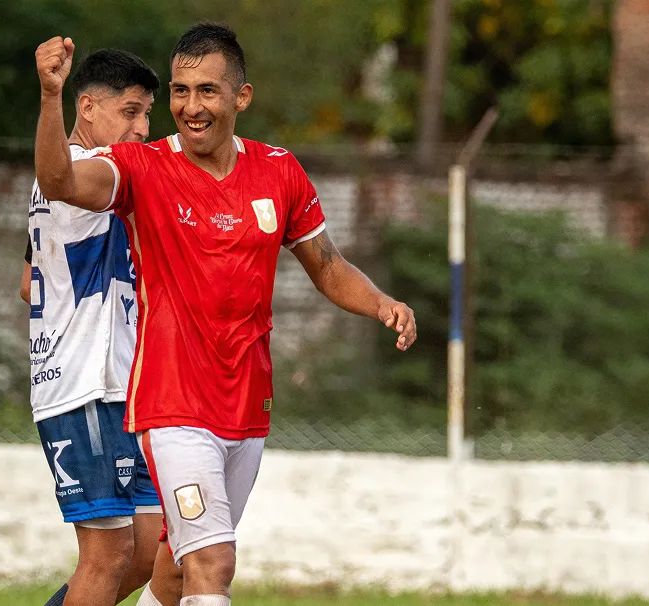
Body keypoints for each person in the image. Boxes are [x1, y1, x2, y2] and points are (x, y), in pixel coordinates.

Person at [34, 24, 417, 606]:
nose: (190, 107)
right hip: (171, 403)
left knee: (171, 568)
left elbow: (328, 264)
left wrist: (382, 303)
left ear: (241, 97)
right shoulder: (143, 167)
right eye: (180, 92)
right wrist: (49, 96)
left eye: (207, 91)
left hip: (245, 405)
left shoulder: (280, 171)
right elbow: (58, 179)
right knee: (213, 561)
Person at [26, 48, 165, 606]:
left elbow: (27, 279)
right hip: (83, 381)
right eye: (130, 112)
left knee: (154, 550)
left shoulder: (113, 178)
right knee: (106, 557)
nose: (142, 127)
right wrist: (47, 94)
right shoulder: (78, 170)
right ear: (87, 106)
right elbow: (56, 176)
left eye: (147, 114)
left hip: (125, 385)